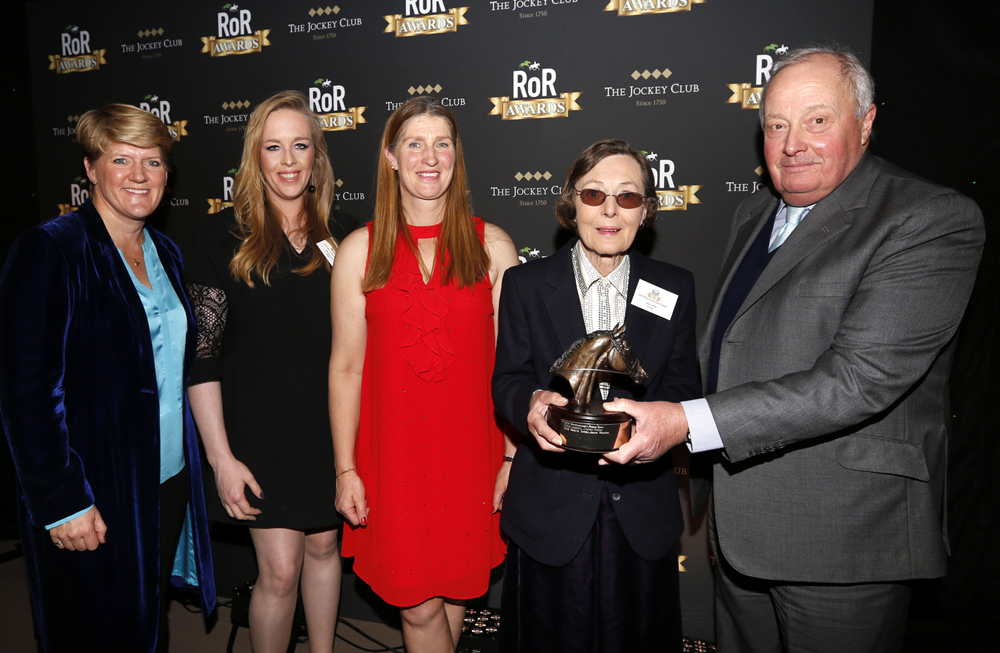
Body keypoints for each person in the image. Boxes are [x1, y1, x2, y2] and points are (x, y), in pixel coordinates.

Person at [598, 47, 986, 652]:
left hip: (845, 538)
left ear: (867, 121)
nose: (791, 143)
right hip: (740, 529)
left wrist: (683, 422)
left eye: (817, 120)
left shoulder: (929, 218)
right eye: (776, 125)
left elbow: (859, 381)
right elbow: (733, 346)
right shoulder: (755, 213)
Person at [0, 104, 215, 652]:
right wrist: (61, 500)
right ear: (91, 169)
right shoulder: (52, 250)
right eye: (122, 159)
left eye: (154, 161)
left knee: (144, 628)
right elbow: (26, 396)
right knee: (91, 635)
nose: (139, 176)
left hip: (162, 483)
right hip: (91, 490)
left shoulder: (165, 251)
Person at [491, 139, 700, 652]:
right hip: (550, 510)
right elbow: (507, 380)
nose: (610, 209)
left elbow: (682, 385)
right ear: (571, 205)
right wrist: (531, 403)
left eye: (628, 197)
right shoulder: (524, 282)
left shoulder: (674, 286)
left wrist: (655, 419)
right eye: (594, 195)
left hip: (641, 513)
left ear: (646, 210)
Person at [330, 96, 519, 652]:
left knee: (456, 595)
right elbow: (345, 367)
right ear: (390, 156)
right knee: (417, 609)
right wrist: (345, 469)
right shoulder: (359, 251)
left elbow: (516, 366)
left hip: (473, 458)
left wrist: (512, 457)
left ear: (457, 156)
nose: (429, 157)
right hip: (394, 461)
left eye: (442, 144)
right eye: (414, 143)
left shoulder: (493, 246)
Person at [186, 91, 351, 653]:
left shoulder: (347, 234)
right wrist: (221, 459)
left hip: (330, 430)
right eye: (273, 147)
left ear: (316, 156)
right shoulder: (219, 236)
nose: (287, 160)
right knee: (280, 571)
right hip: (258, 436)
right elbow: (201, 358)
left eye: (300, 145)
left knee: (326, 550)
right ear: (254, 157)